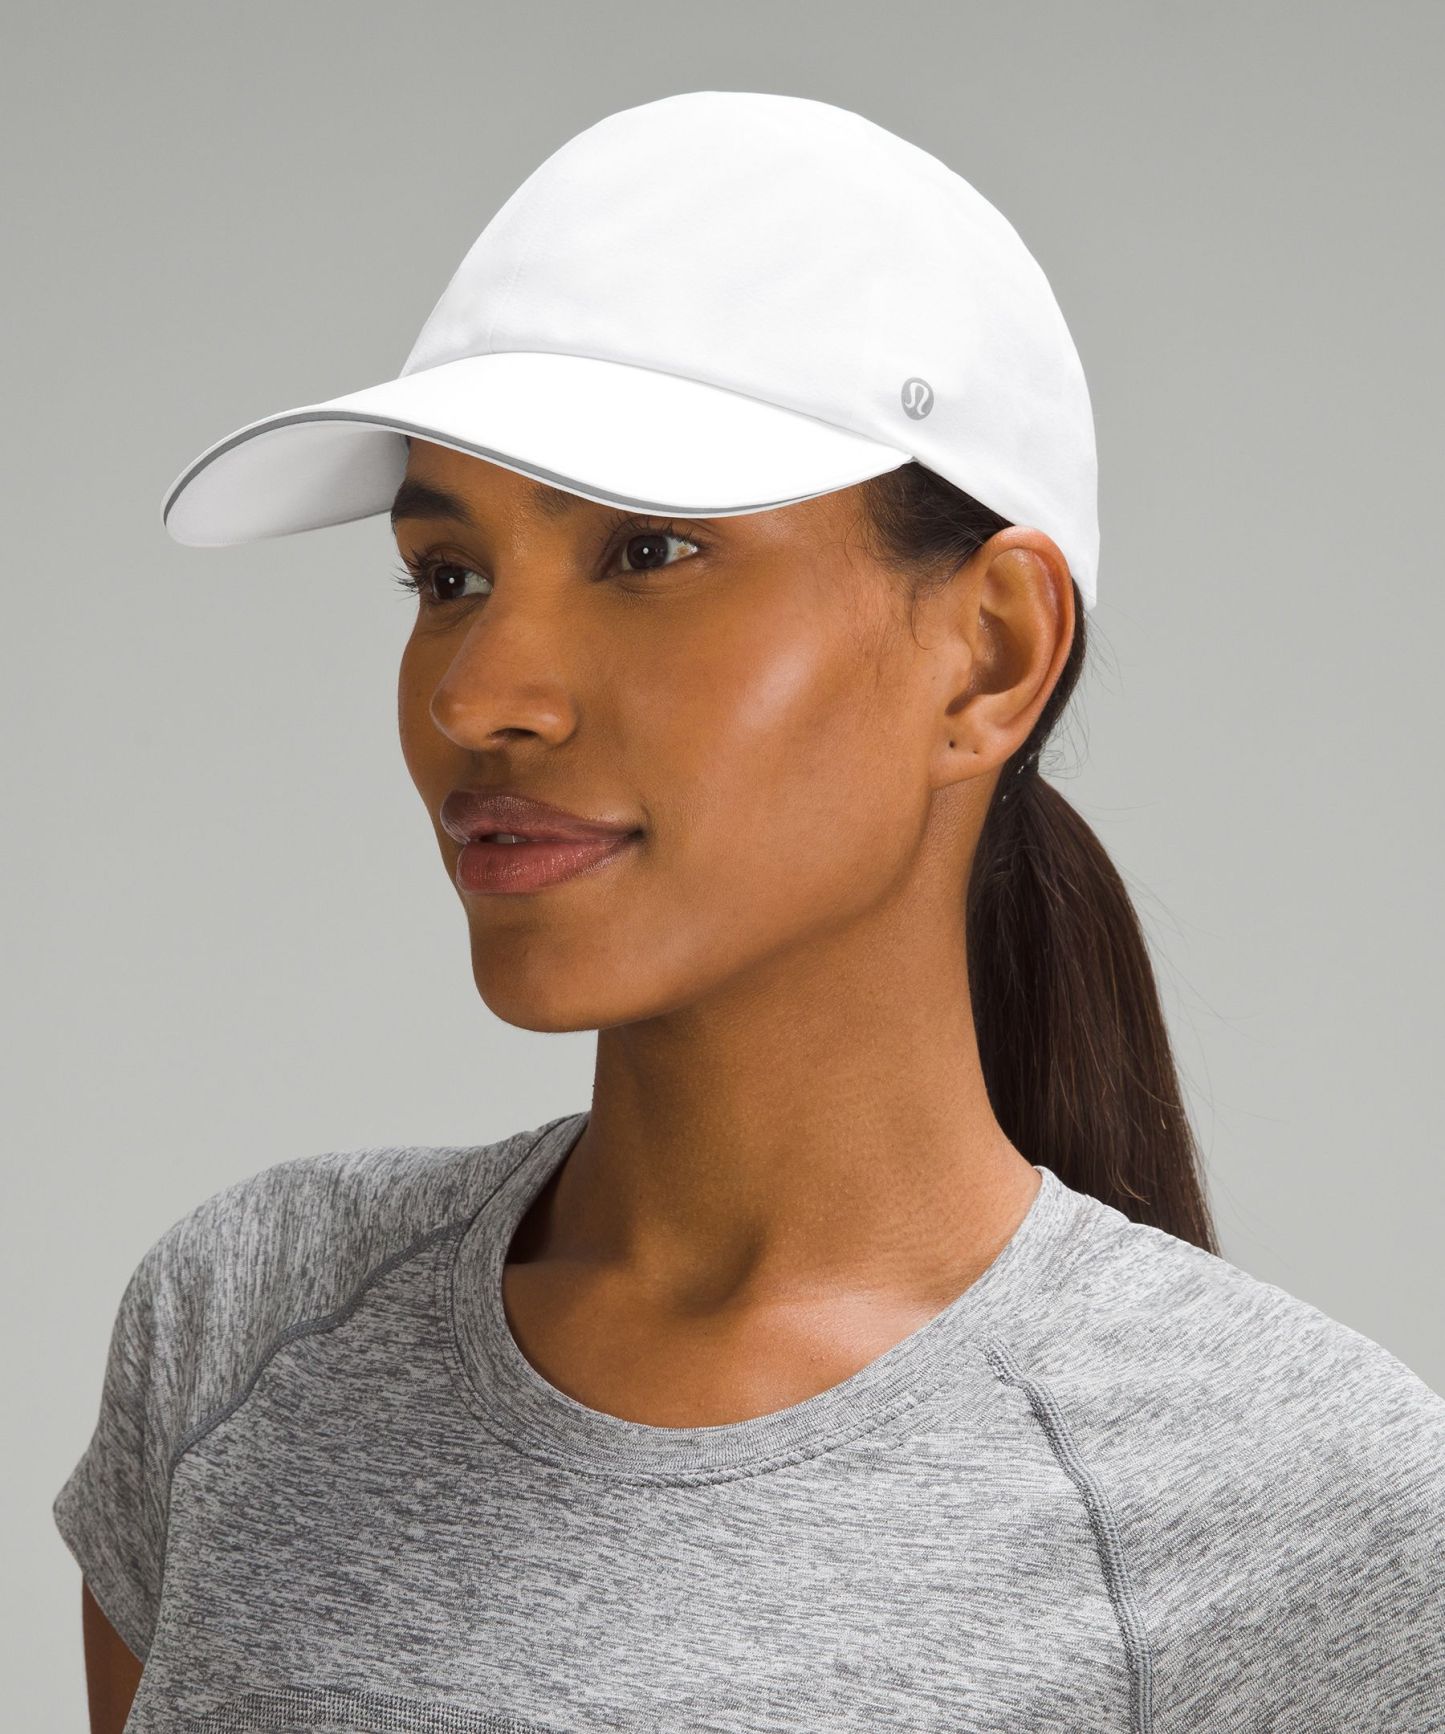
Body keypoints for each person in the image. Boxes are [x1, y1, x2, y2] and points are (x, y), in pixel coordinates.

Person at [56, 90, 1444, 1734]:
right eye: (448, 576)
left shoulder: (1286, 1503)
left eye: (646, 550)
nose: (481, 695)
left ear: (989, 654)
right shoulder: (248, 1331)